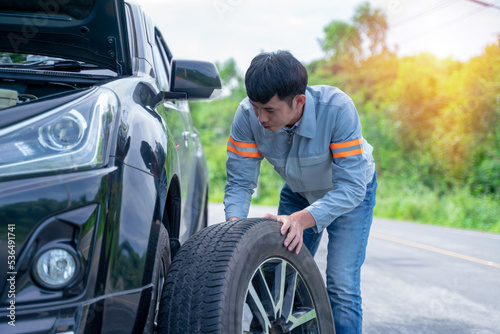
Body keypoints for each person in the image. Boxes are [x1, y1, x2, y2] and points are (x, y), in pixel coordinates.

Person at [224, 50, 377, 334]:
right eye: (256, 106)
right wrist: (232, 228)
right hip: (298, 192)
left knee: (341, 283)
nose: (260, 118)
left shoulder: (337, 109)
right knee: (280, 277)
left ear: (299, 101)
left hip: (351, 196)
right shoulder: (247, 116)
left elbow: (351, 187)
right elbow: (240, 182)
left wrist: (301, 220)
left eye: (270, 110)